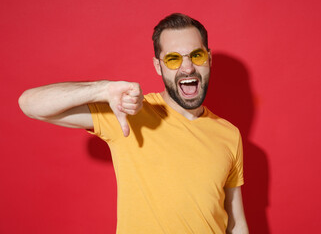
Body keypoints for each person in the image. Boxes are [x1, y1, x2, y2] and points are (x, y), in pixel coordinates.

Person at [18, 13, 249, 234]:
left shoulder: (229, 134)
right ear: (158, 66)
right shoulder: (128, 113)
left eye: (196, 56)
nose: (187, 68)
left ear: (209, 59)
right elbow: (30, 103)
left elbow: (236, 224)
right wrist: (102, 89)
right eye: (173, 59)